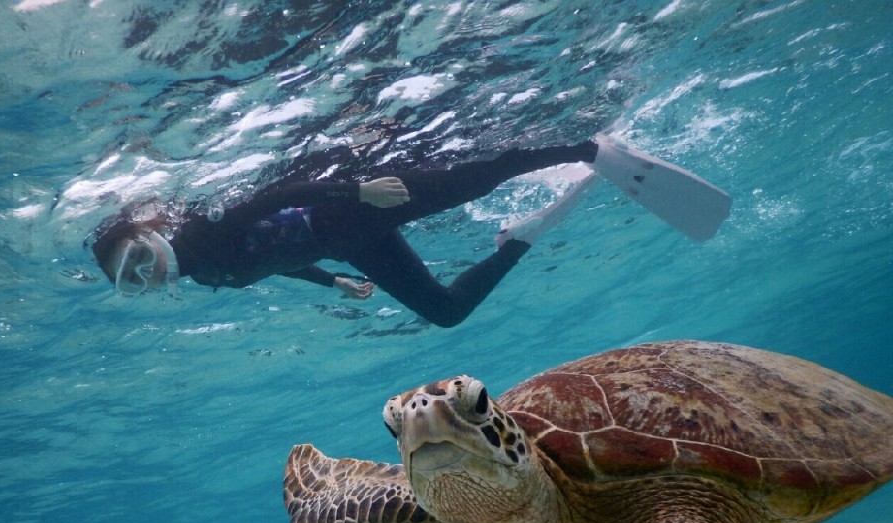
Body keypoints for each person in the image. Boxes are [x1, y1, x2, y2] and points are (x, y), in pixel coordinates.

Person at [91, 135, 731, 327]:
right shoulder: (208, 274)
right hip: (351, 245)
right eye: (133, 280)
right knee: (446, 313)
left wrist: (355, 189)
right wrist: (334, 279)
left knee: (474, 181)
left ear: (150, 234)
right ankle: (517, 240)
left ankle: (589, 148)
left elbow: (279, 195)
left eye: (139, 257)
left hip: (350, 209)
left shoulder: (207, 234)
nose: (147, 274)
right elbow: (274, 262)